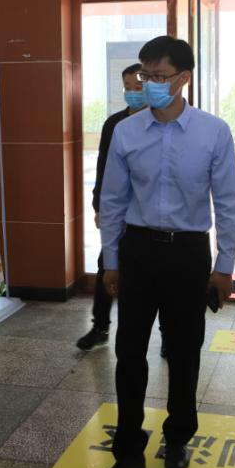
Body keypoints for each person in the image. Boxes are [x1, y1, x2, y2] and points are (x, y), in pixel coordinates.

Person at [97, 35, 235, 468]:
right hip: (138, 250)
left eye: (158, 76)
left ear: (183, 79)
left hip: (188, 253)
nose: (149, 84)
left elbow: (228, 205)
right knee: (129, 352)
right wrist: (111, 260)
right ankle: (127, 451)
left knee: (183, 351)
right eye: (145, 75)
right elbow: (113, 200)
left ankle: (177, 437)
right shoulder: (126, 132)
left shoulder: (213, 132)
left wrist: (224, 266)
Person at [76, 63, 158, 353]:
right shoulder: (114, 124)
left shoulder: (160, 121)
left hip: (150, 215)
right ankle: (100, 326)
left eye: (138, 86)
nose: (133, 92)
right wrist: (99, 205)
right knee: (106, 266)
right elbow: (103, 168)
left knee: (157, 275)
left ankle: (166, 336)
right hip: (119, 211)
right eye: (127, 87)